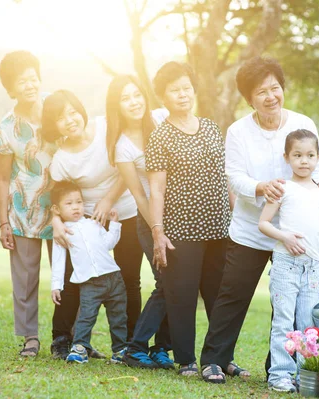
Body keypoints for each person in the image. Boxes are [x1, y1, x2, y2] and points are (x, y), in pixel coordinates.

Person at [199, 56, 319, 383]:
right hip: (251, 230)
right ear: (249, 98)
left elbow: (317, 166)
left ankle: (279, 371)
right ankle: (215, 360)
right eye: (261, 91)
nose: (270, 96)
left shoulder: (302, 122)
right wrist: (261, 186)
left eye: (275, 88)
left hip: (293, 237)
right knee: (232, 296)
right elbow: (233, 176)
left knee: (288, 306)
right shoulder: (238, 131)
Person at [146, 62, 231, 377]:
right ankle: (186, 360)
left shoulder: (210, 127)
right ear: (163, 96)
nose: (182, 94)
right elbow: (156, 188)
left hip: (218, 227)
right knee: (181, 297)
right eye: (174, 90)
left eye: (186, 88)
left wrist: (234, 217)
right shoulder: (161, 136)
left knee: (219, 295)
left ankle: (222, 357)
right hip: (181, 230)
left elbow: (224, 176)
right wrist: (158, 231)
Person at [42, 90, 143, 347]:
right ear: (55, 126)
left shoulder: (107, 127)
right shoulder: (62, 160)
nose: (71, 120)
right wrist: (56, 222)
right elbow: (55, 196)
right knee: (75, 278)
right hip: (88, 222)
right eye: (61, 118)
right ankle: (63, 339)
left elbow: (128, 166)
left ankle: (132, 343)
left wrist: (109, 199)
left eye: (73, 111)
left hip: (127, 213)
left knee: (129, 279)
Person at [258, 129, 319, 392]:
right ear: (287, 157)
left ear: (318, 157)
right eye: (298, 155)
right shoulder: (283, 188)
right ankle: (280, 375)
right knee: (283, 321)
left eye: (310, 155)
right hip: (285, 265)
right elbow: (264, 223)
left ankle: (305, 375)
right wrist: (286, 237)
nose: (304, 161)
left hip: (313, 269)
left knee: (307, 325)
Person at [105, 75, 174, 369]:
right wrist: (158, 229)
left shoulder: (161, 118)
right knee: (166, 281)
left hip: (180, 214)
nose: (134, 102)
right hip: (149, 220)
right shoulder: (122, 147)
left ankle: (161, 348)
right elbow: (139, 195)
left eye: (137, 95)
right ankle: (136, 346)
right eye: (125, 98)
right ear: (117, 106)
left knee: (177, 282)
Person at [0, 50, 56, 357]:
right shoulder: (6, 127)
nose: (30, 85)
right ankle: (30, 337)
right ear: (11, 89)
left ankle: (66, 338)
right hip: (23, 211)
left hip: (62, 208)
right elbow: (3, 178)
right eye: (22, 81)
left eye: (33, 78)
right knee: (26, 278)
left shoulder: (57, 107)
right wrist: (3, 221)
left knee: (68, 274)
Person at [49, 181, 127, 363]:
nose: (75, 207)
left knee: (118, 317)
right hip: (89, 283)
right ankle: (80, 348)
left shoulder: (94, 223)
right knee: (86, 316)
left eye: (78, 202)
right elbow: (59, 261)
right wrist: (56, 286)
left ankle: (120, 350)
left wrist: (114, 225)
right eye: (69, 203)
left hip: (114, 278)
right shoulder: (63, 232)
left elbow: (108, 244)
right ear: (57, 209)